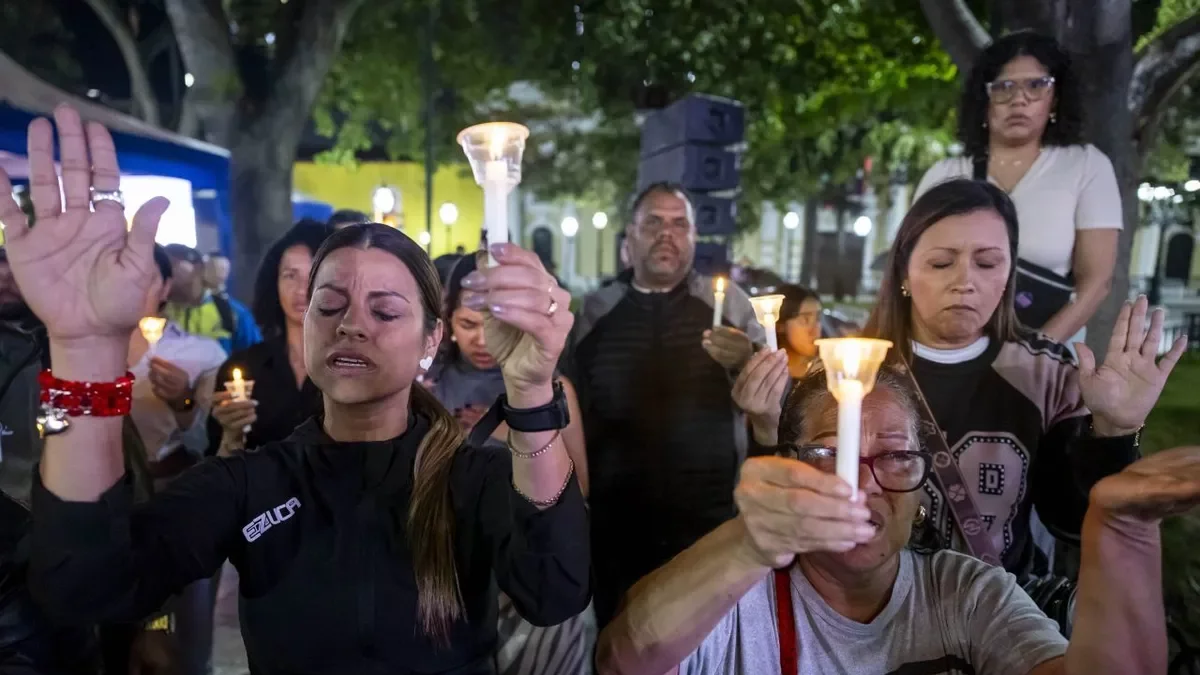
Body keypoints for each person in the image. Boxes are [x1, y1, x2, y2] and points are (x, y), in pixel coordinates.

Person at [4, 106, 589, 673]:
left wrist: (532, 389)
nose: (352, 324)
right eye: (328, 304)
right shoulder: (252, 483)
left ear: (431, 340)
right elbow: (85, 586)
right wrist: (84, 353)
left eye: (384, 312)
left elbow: (555, 591)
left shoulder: (473, 478)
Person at [596, 365, 1200, 674]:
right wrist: (748, 543)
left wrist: (1122, 532)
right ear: (790, 466)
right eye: (832, 451)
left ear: (923, 487)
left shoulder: (963, 593)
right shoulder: (739, 596)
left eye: (895, 456)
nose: (862, 484)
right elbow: (622, 657)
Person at [561, 181, 765, 627]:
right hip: (615, 529)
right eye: (653, 222)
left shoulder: (729, 307)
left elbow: (770, 405)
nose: (666, 234)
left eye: (680, 224)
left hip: (708, 523)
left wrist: (746, 361)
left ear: (693, 238)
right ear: (628, 239)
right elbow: (569, 408)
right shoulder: (594, 313)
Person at [426, 254, 594, 675]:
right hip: (453, 572)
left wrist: (517, 432)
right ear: (446, 322)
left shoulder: (550, 387)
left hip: (533, 561)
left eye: (496, 323)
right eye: (468, 324)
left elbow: (581, 488)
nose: (482, 340)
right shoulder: (427, 386)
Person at [914, 32, 1121, 341]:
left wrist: (1033, 353)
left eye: (1036, 85)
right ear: (984, 102)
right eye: (1003, 87)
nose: (1019, 99)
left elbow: (1096, 282)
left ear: (1056, 98)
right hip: (952, 348)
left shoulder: (1086, 166)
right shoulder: (945, 174)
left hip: (1047, 356)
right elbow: (912, 267)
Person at [207, 220, 330, 457]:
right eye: (290, 275)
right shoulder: (244, 367)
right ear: (274, 283)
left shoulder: (354, 367)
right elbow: (216, 467)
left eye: (314, 275)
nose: (301, 290)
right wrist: (231, 435)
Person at [162, 244, 262, 355]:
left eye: (172, 264)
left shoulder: (230, 312)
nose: (164, 272)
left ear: (197, 266)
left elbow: (257, 357)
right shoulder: (159, 312)